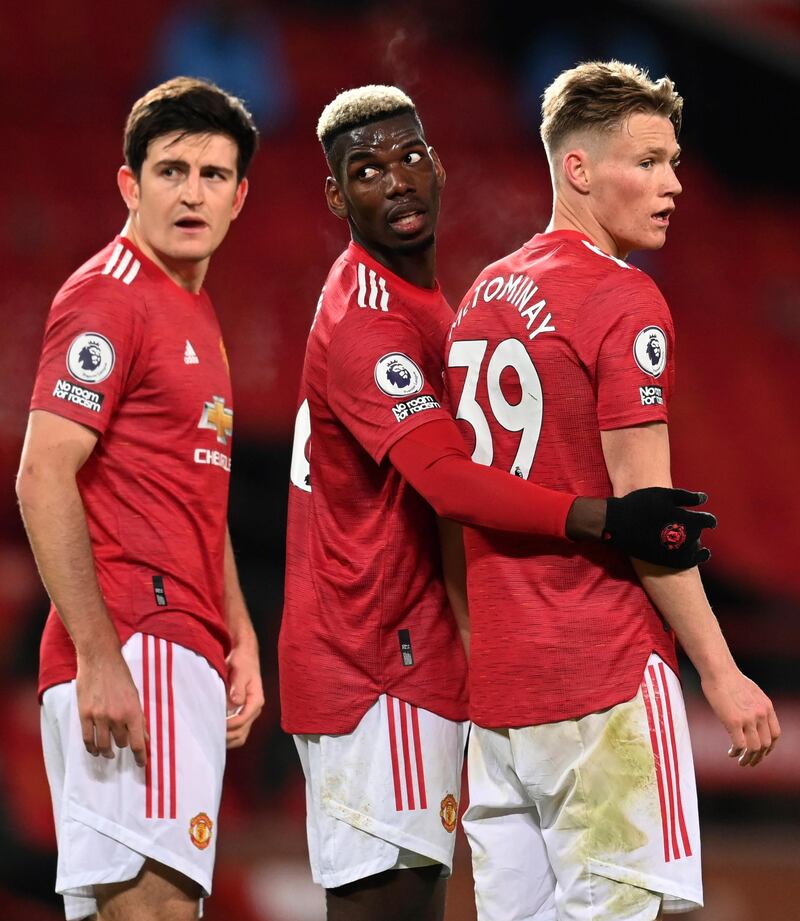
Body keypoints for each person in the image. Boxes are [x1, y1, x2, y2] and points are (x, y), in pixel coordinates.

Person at [279, 84, 717, 921]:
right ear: (337, 197)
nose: (398, 181)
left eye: (410, 157)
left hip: (441, 665)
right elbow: (445, 482)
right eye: (367, 171)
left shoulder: (455, 302)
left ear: (440, 166)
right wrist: (598, 517)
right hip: (377, 668)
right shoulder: (369, 318)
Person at [444, 61, 782, 921]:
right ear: (578, 169)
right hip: (601, 680)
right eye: (648, 162)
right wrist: (722, 670)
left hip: (503, 697)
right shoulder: (623, 301)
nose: (673, 184)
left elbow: (459, 497)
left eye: (675, 162)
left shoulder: (483, 292)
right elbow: (649, 521)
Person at [16, 77, 264, 921]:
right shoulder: (110, 294)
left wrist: (239, 632)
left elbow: (195, 491)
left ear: (239, 195)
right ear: (130, 184)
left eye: (212, 174)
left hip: (178, 640)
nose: (192, 192)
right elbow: (42, 472)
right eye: (171, 171)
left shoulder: (192, 310)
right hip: (135, 636)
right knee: (152, 910)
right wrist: (99, 654)